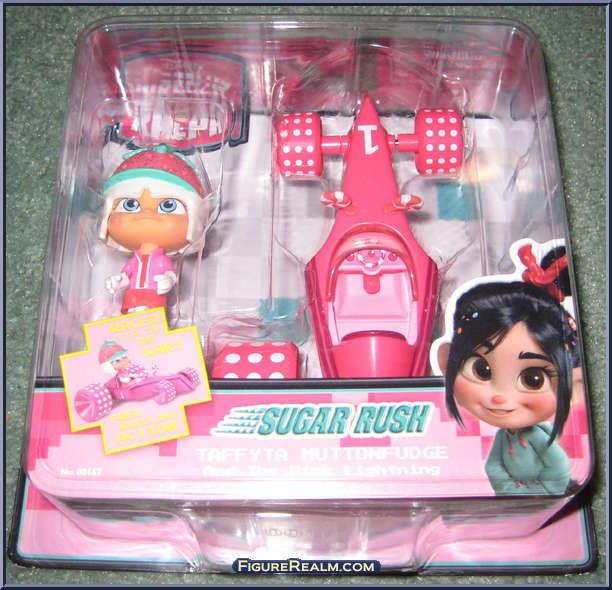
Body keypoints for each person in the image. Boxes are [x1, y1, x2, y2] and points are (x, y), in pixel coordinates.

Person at [436, 246, 583, 495]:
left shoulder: (539, 438)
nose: (500, 397)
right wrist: (508, 489)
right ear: (447, 360)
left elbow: (558, 470)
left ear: (576, 385)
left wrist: (537, 493)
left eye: (533, 379)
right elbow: (493, 466)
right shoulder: (504, 438)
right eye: (481, 370)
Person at [98, 144, 208, 314]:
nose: (147, 213)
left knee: (149, 318)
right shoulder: (134, 261)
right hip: (132, 298)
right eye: (130, 204)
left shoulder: (162, 261)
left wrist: (168, 280)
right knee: (132, 318)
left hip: (153, 300)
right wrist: (119, 281)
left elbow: (171, 274)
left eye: (168, 206)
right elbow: (126, 276)